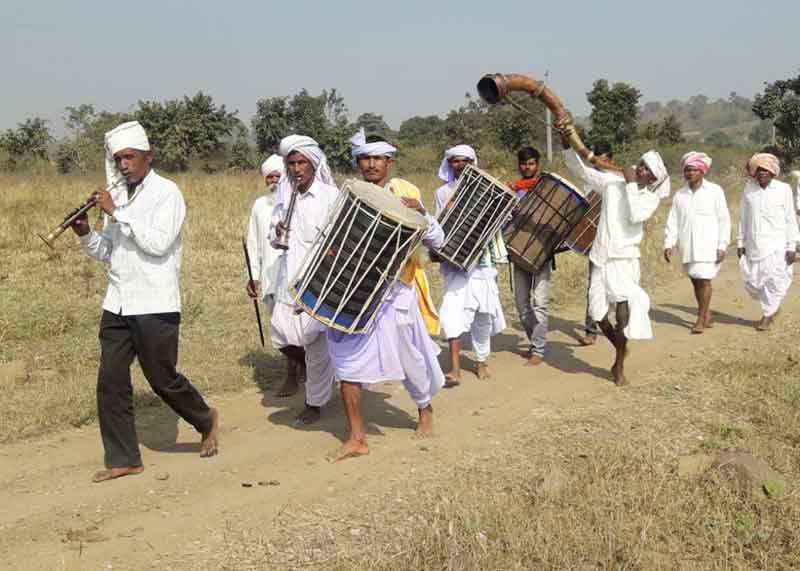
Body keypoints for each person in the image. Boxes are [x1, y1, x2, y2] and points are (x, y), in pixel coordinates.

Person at [70, 121, 219, 483]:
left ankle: (205, 418)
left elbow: (158, 244)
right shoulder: (119, 198)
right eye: (118, 159)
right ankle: (124, 458)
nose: (123, 165)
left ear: (148, 156)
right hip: (118, 302)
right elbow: (110, 253)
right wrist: (87, 233)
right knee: (110, 380)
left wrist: (117, 214)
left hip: (155, 301)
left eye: (130, 157)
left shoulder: (167, 193)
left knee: (162, 378)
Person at [325, 129, 445, 461]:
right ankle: (357, 438)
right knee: (346, 360)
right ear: (358, 161)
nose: (371, 164)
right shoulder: (349, 194)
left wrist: (421, 212)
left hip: (397, 292)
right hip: (358, 290)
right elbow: (335, 238)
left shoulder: (406, 193)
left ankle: (425, 408)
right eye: (365, 157)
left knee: (412, 359)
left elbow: (438, 239)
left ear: (389, 162)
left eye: (378, 158)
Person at [560, 129, 669, 385]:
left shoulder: (649, 199)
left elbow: (635, 215)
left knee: (622, 313)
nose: (639, 169)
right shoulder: (612, 183)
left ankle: (618, 364)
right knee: (598, 315)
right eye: (640, 164)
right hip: (600, 257)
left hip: (625, 261)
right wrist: (567, 145)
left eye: (645, 169)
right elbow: (581, 171)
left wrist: (631, 183)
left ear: (653, 179)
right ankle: (620, 347)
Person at [269, 135, 338, 423]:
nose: (297, 169)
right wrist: (277, 232)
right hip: (289, 276)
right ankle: (330, 371)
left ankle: (314, 402)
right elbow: (274, 239)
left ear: (314, 164)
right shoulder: (284, 196)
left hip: (319, 279)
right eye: (292, 163)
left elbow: (339, 239)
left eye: (302, 162)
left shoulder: (330, 196)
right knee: (281, 333)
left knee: (315, 343)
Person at [434, 145, 506, 385]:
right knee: (450, 315)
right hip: (456, 264)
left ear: (474, 162)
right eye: (455, 161)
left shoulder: (490, 191)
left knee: (482, 317)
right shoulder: (443, 193)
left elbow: (503, 217)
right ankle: (454, 369)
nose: (461, 165)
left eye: (466, 160)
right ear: (449, 164)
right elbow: (438, 226)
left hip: (483, 264)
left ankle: (481, 362)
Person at [663, 152, 731, 333]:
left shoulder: (715, 191)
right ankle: (706, 314)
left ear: (702, 171)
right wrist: (669, 244)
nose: (690, 173)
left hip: (708, 245)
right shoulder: (680, 195)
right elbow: (673, 221)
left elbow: (724, 219)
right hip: (687, 245)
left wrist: (722, 245)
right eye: (687, 170)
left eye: (694, 170)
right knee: (695, 281)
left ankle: (700, 319)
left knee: (704, 280)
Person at [736, 153, 798, 331]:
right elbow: (744, 218)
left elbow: (790, 219)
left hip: (777, 244)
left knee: (774, 280)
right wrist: (741, 242)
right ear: (754, 173)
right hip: (755, 244)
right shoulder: (749, 189)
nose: (762, 173)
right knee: (754, 283)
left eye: (766, 170)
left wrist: (792, 246)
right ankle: (773, 308)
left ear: (773, 172)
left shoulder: (783, 189)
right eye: (759, 170)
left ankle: (768, 314)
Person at [510, 146, 552, 366]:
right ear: (519, 165)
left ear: (538, 165)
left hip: (542, 251)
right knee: (520, 304)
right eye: (524, 164)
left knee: (540, 302)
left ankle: (538, 349)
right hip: (518, 251)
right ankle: (535, 339)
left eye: (532, 163)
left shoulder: (548, 188)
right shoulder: (513, 190)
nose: (527, 167)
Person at [577, 142, 614, 346]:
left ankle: (620, 325)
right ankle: (591, 330)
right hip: (596, 242)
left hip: (616, 243)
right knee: (594, 285)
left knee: (617, 287)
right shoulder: (590, 179)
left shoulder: (619, 180)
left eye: (604, 160)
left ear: (611, 160)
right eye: (596, 160)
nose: (600, 164)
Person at [245, 154, 283, 311]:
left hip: (291, 280)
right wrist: (252, 276)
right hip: (268, 278)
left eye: (277, 176)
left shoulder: (296, 203)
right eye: (269, 177)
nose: (273, 180)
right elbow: (252, 243)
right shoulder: (259, 205)